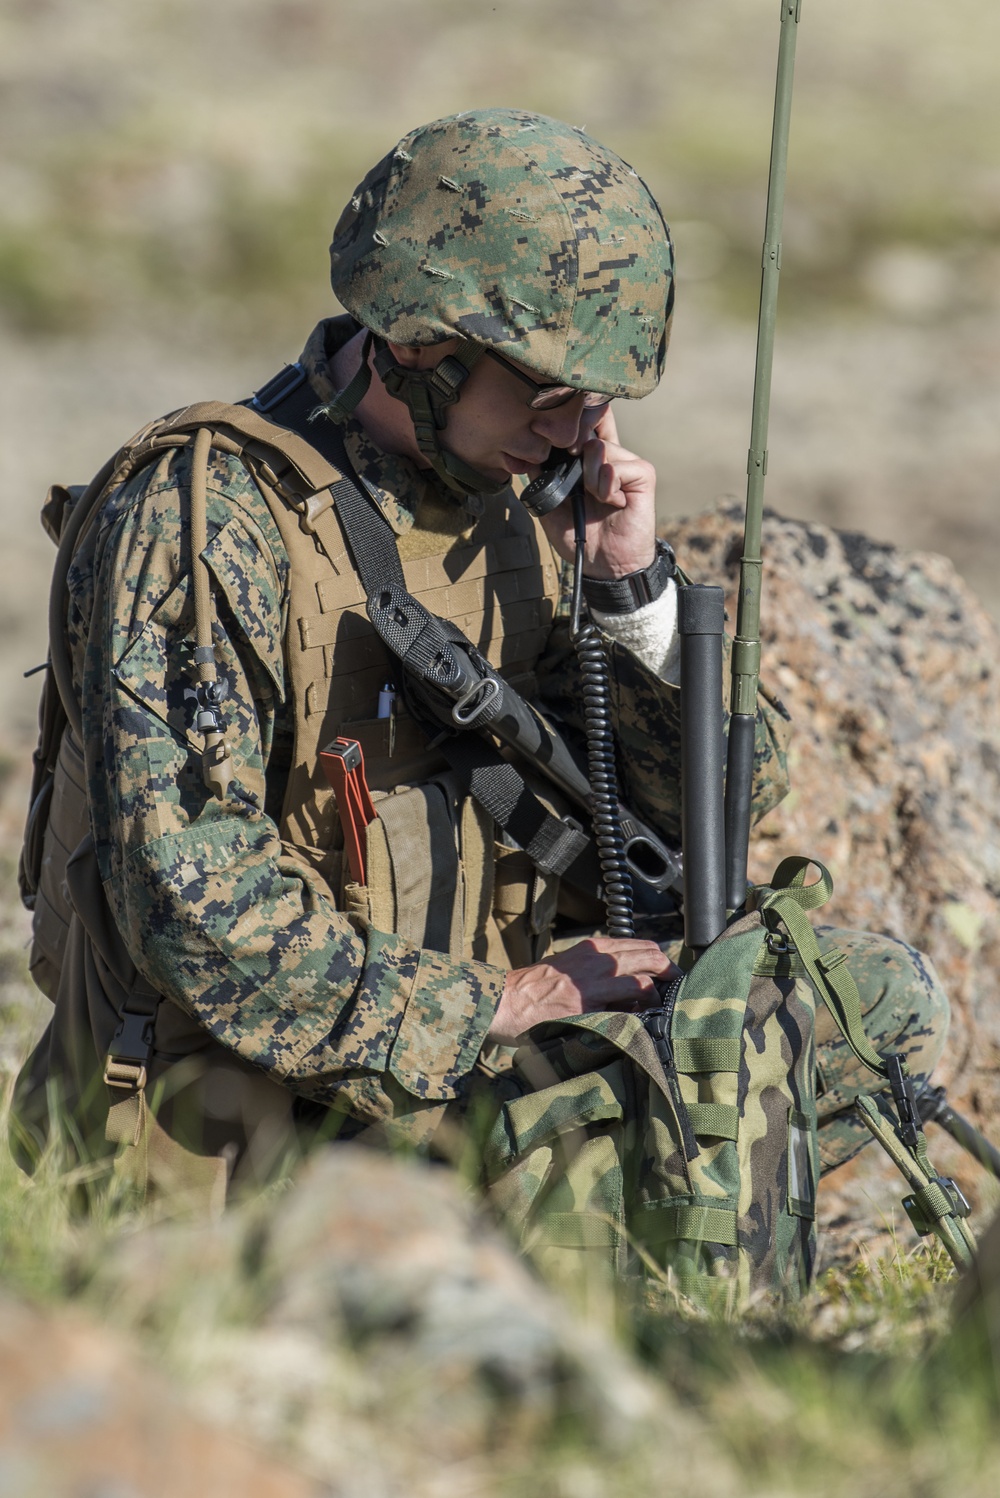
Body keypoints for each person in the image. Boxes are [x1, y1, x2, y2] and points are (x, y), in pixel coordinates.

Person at [13, 109, 947, 1213]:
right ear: (418, 347)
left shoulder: (509, 510)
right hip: (244, 1131)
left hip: (456, 1076)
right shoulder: (204, 521)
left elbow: (722, 815)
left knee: (860, 998)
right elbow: (195, 907)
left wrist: (627, 597)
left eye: (597, 403)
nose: (575, 436)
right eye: (550, 395)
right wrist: (505, 1004)